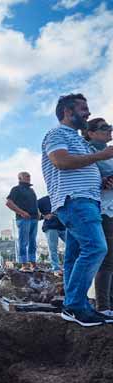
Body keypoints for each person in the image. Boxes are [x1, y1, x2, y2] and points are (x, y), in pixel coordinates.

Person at [41, 93, 113, 327]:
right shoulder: (57, 133)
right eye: (83, 109)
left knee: (73, 255)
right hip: (76, 201)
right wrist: (101, 156)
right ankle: (75, 306)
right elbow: (60, 161)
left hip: (87, 200)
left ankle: (72, 305)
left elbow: (81, 166)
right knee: (96, 247)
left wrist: (99, 180)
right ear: (67, 112)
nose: (88, 113)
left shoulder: (79, 140)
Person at [83, 118, 113, 315]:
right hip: (101, 209)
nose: (109, 130)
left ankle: (107, 302)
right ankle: (103, 306)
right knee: (106, 258)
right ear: (90, 133)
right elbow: (89, 176)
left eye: (110, 127)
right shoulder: (88, 152)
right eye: (104, 128)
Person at [6, 172, 39, 272]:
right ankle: (24, 264)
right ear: (20, 178)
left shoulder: (31, 190)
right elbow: (8, 203)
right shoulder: (16, 189)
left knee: (33, 241)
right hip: (23, 219)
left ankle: (33, 263)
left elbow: (35, 204)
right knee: (23, 241)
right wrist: (21, 212)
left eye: (29, 176)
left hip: (34, 218)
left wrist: (38, 213)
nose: (29, 177)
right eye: (26, 176)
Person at [37, 195, 66, 276]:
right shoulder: (43, 200)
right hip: (50, 227)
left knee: (72, 245)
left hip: (63, 226)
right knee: (53, 248)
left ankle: (67, 266)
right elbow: (32, 210)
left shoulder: (62, 197)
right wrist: (43, 216)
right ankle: (56, 268)